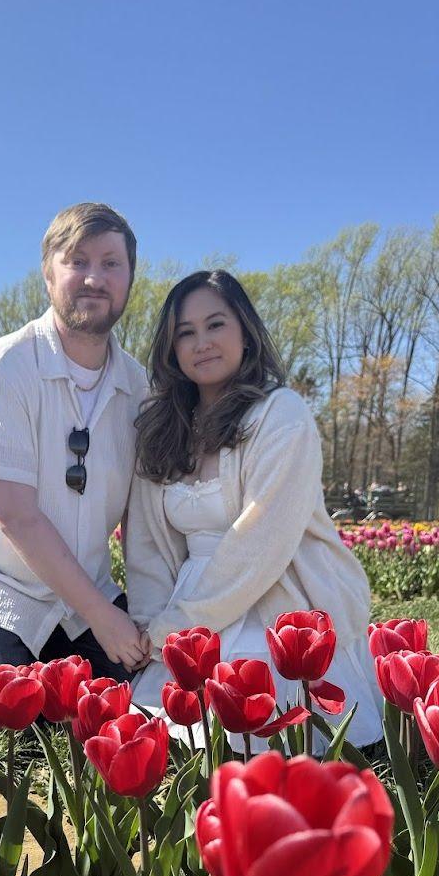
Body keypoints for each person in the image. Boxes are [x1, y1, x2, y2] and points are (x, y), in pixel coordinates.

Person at [126, 269, 384, 750]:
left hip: (273, 597)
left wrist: (176, 628)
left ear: (244, 330)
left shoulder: (281, 413)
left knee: (255, 736)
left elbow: (261, 542)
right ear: (172, 349)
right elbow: (146, 545)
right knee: (171, 742)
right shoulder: (161, 428)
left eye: (216, 324)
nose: (202, 342)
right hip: (188, 603)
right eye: (186, 332)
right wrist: (149, 628)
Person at [0, 202, 152, 727]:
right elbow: (16, 516)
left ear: (129, 278)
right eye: (76, 261)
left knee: (134, 712)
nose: (94, 278)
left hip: (86, 592)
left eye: (111, 263)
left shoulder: (139, 388)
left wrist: (140, 613)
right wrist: (105, 619)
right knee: (11, 724)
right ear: (48, 273)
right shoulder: (3, 368)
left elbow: (143, 517)